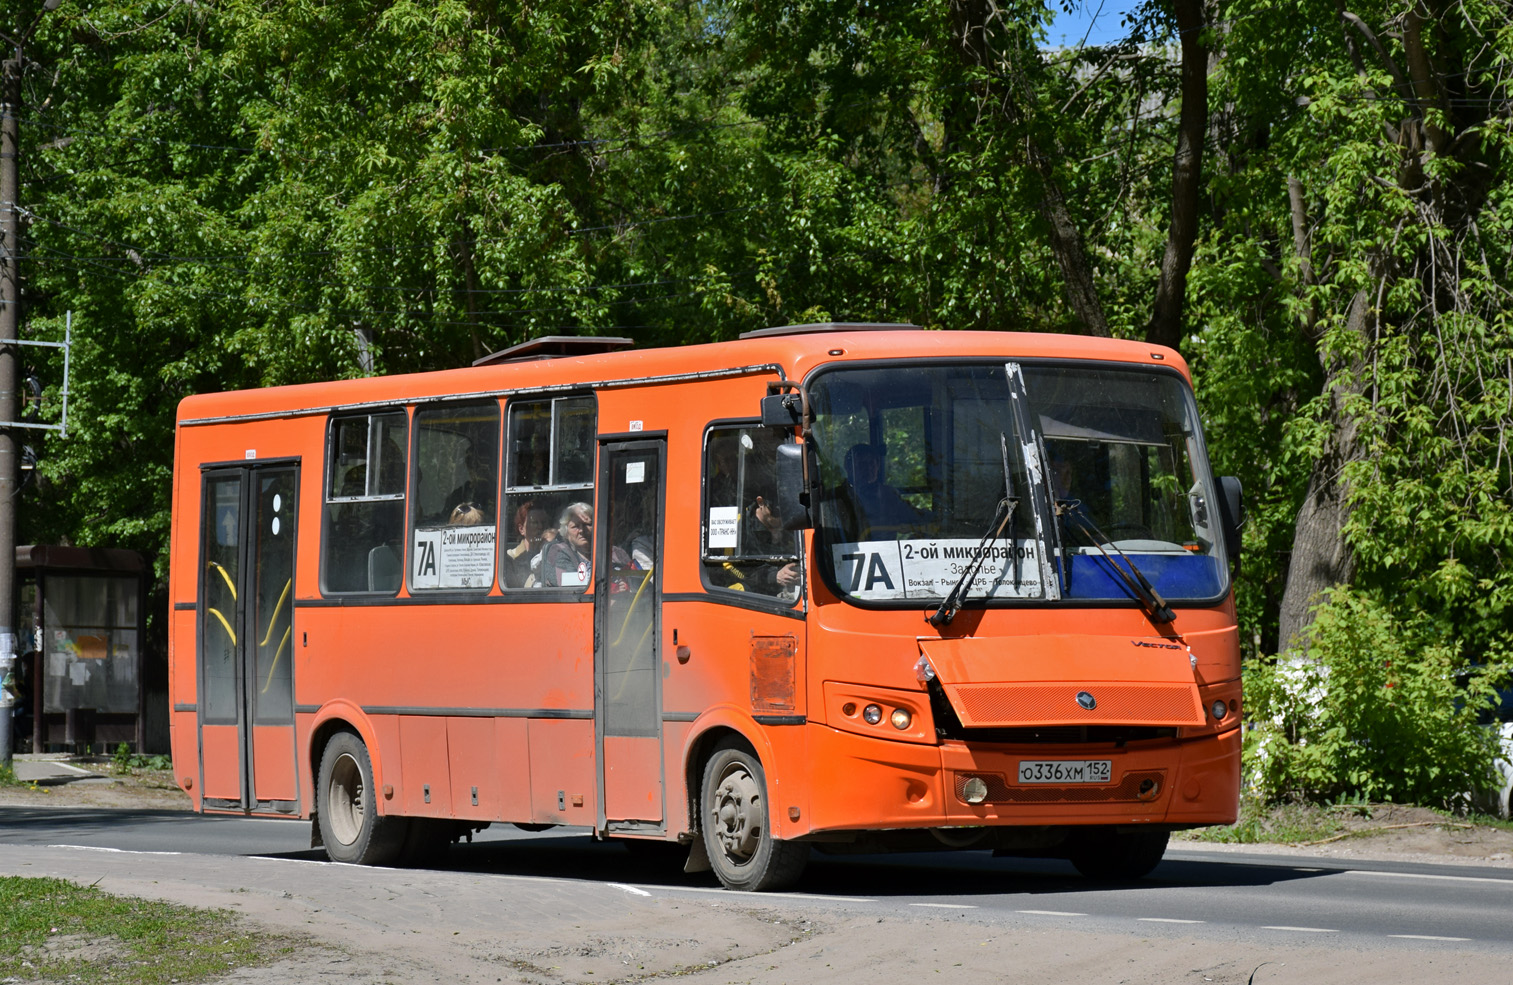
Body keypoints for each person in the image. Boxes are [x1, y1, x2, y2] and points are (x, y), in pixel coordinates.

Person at [841, 443, 921, 536]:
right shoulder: (837, 497)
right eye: (862, 464)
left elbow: (911, 515)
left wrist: (936, 517)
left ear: (878, 466)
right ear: (849, 468)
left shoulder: (888, 494)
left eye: (872, 463)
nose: (868, 469)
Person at [539, 502, 592, 587]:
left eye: (587, 525)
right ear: (566, 532)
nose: (582, 530)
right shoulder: (558, 552)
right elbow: (569, 584)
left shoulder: (614, 552)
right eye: (575, 526)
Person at [503, 500, 551, 588]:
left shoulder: (551, 552)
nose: (540, 527)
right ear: (521, 529)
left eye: (543, 522)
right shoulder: (511, 558)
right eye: (534, 523)